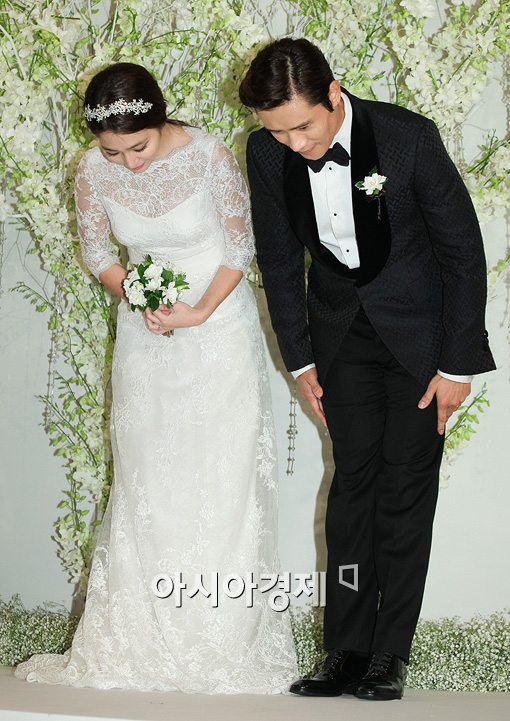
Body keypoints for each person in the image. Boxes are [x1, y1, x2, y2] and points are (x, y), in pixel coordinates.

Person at [15, 62, 297, 694]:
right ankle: (141, 637)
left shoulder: (209, 155)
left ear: (160, 119)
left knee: (221, 477)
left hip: (218, 331)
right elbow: (97, 253)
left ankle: (223, 637)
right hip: (147, 340)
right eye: (113, 152)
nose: (128, 164)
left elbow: (239, 247)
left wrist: (198, 311)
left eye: (137, 148)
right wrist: (138, 293)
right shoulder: (92, 169)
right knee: (150, 477)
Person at [239, 38, 495, 701]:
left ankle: (389, 655)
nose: (295, 144)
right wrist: (299, 357)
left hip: (420, 341)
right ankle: (345, 651)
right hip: (340, 336)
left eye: (303, 126)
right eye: (279, 132)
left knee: (405, 488)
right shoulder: (265, 152)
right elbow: (277, 258)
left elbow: (463, 252)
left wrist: (457, 364)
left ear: (334, 92)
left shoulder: (408, 139)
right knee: (352, 484)